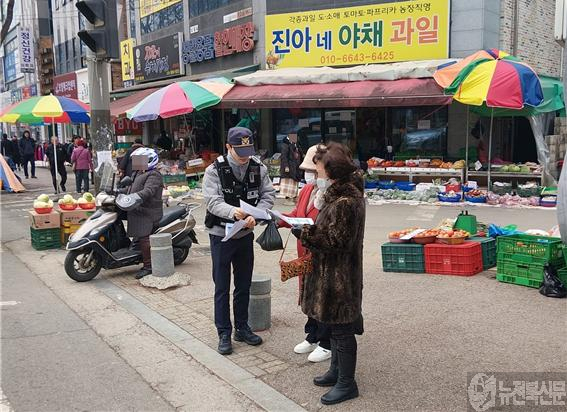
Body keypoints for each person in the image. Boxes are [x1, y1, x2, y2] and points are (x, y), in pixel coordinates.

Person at [294, 143, 365, 406]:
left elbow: (337, 241)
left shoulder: (346, 202)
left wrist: (305, 234)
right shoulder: (334, 197)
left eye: (319, 170)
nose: (316, 174)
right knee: (335, 330)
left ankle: (347, 383)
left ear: (332, 171)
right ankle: (336, 372)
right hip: (331, 276)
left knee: (343, 331)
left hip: (340, 279)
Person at [203, 127, 275, 355]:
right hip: (221, 235)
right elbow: (212, 201)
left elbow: (268, 195)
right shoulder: (214, 170)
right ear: (228, 147)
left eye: (248, 151)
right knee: (222, 286)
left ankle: (242, 328)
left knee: (243, 284)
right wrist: (233, 212)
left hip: (245, 234)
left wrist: (257, 214)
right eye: (239, 151)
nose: (245, 157)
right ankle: (224, 332)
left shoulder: (258, 167)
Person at [279, 144, 331, 363]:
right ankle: (312, 334)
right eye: (308, 170)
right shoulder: (307, 190)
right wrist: (279, 219)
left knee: (323, 296)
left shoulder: (332, 194)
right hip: (305, 252)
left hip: (323, 254)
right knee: (308, 294)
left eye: (314, 170)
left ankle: (327, 342)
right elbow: (297, 214)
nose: (310, 175)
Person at [126, 147, 164, 279]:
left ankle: (148, 266)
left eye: (139, 160)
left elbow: (148, 191)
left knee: (144, 237)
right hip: (137, 208)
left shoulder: (154, 175)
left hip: (148, 211)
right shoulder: (138, 173)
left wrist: (135, 197)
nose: (136, 163)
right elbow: (131, 187)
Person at [280, 133, 302, 205]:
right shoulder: (285, 145)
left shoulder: (296, 145)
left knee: (294, 183)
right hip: (289, 167)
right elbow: (284, 157)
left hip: (295, 167)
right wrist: (286, 166)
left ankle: (293, 198)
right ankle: (288, 199)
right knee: (288, 183)